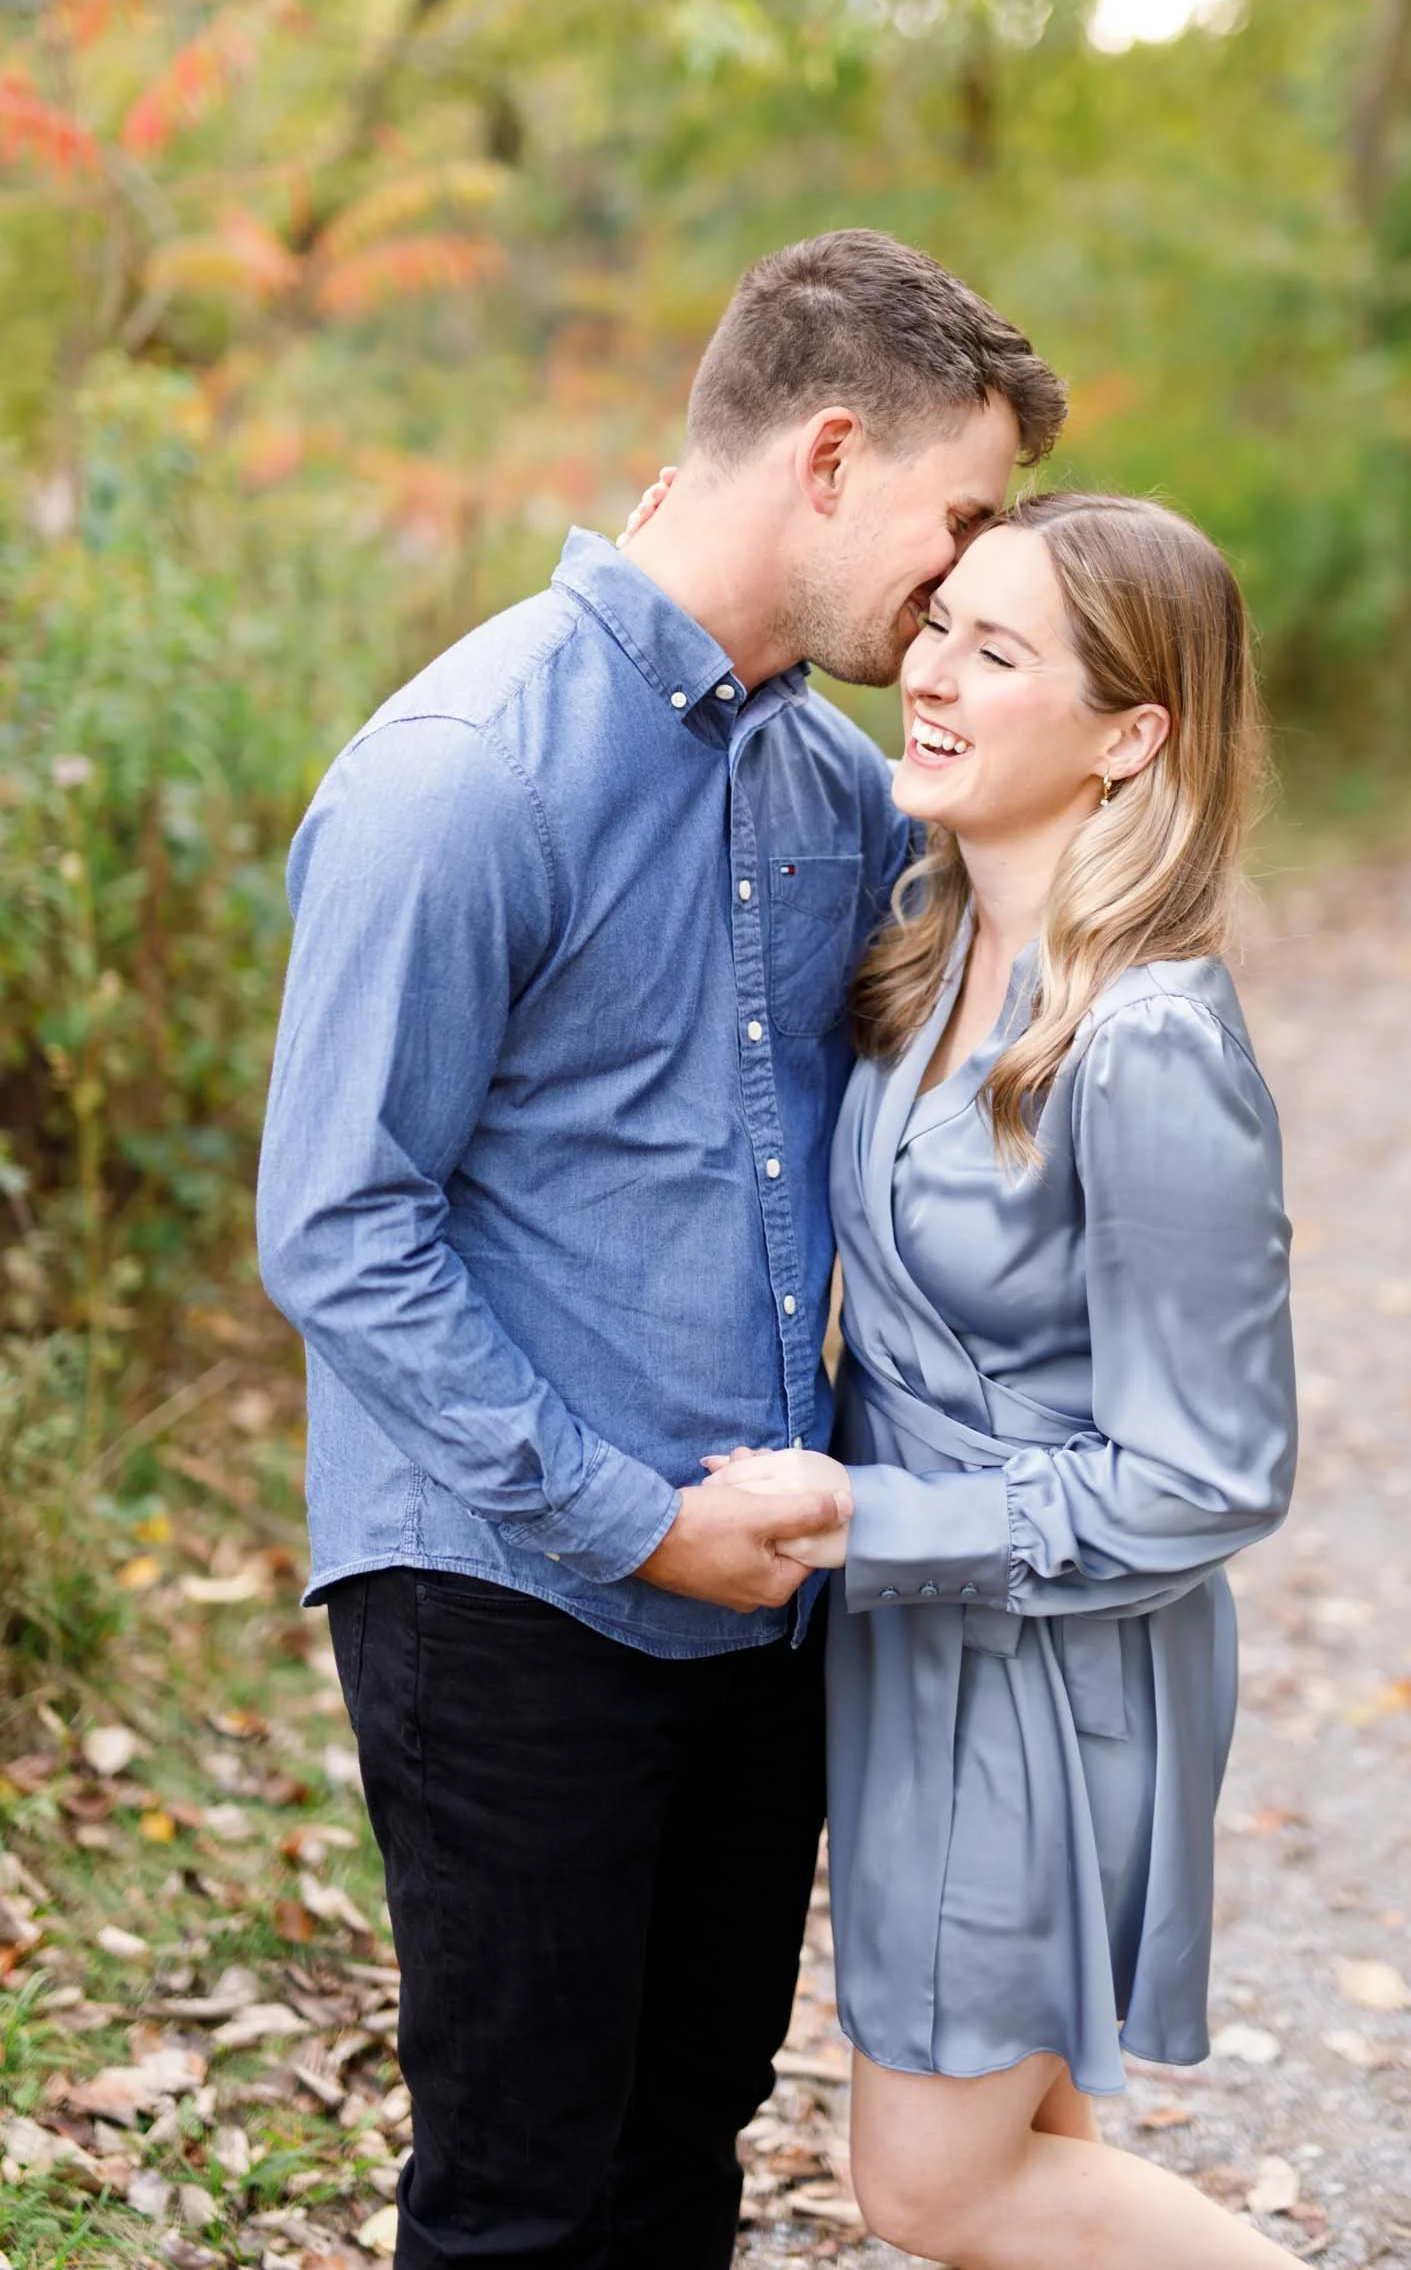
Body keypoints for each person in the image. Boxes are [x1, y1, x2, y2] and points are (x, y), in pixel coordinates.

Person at [255, 227, 1066, 2270]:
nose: (964, 576)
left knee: (675, 2150)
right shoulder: (462, 776)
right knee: (521, 2193)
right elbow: (339, 1226)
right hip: (511, 1588)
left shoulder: (827, 785)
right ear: (821, 457)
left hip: (763, 1606)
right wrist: (628, 1517)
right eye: (955, 515)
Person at [702, 491, 1304, 2268]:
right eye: (939, 623)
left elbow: (1207, 1477)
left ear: (1131, 736)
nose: (930, 674)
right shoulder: (935, 941)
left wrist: (864, 1516)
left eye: (996, 649)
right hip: (921, 1642)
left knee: (939, 2182)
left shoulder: (1148, 1044)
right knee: (1030, 2144)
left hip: (1052, 1673)